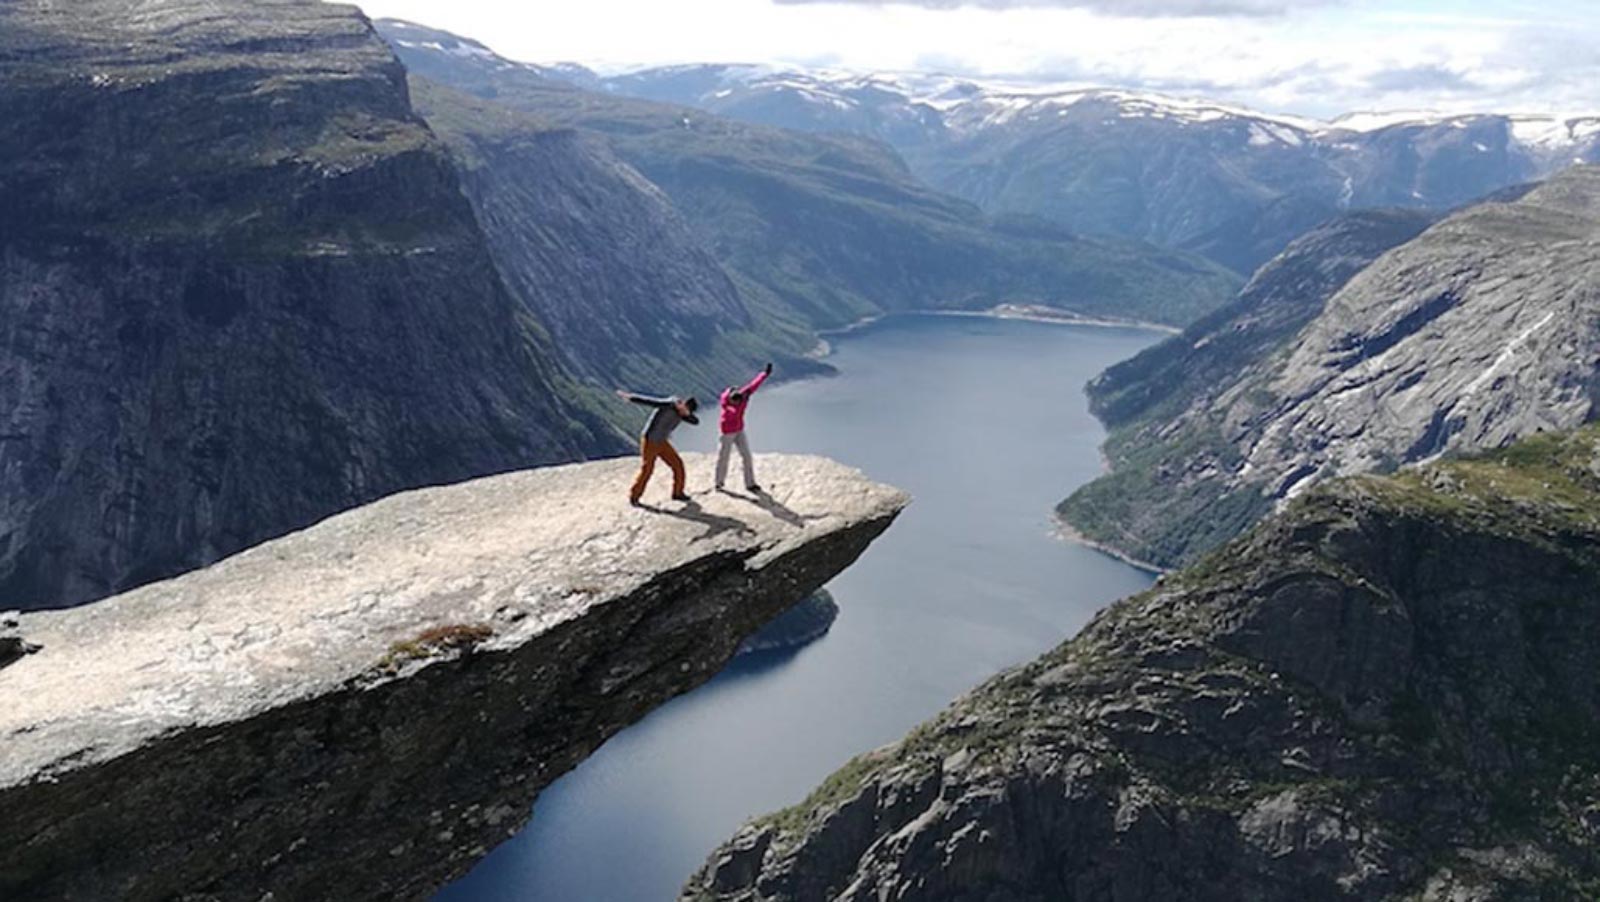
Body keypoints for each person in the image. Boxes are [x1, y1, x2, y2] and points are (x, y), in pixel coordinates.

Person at [616, 389, 699, 504]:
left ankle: (677, 493)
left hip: (662, 442)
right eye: (684, 410)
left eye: (687, 412)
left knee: (678, 465)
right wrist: (631, 397)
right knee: (647, 469)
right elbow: (651, 401)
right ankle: (634, 496)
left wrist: (687, 414)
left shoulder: (684, 414)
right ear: (682, 404)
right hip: (650, 440)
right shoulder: (669, 404)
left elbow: (695, 421)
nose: (684, 414)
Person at [716, 362, 772, 493]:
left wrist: (765, 374)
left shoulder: (743, 395)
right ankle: (719, 483)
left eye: (740, 401)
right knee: (724, 456)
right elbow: (732, 411)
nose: (739, 403)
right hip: (727, 432)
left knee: (747, 456)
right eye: (736, 402)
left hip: (739, 430)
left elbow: (754, 384)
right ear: (730, 400)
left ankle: (750, 483)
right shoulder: (726, 406)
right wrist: (734, 408)